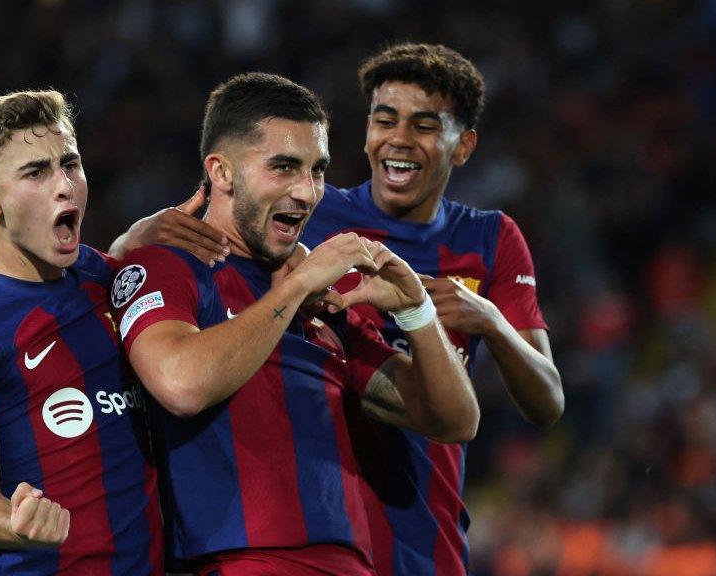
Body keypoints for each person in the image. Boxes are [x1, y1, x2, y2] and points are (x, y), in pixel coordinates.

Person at [110, 72, 479, 576]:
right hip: (237, 561)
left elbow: (454, 420)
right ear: (221, 172)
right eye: (283, 167)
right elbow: (181, 383)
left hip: (352, 564)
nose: (307, 193)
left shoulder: (323, 304)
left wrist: (418, 312)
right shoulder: (169, 269)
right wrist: (296, 287)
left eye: (317, 170)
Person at [0, 89, 227, 575]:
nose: (64, 185)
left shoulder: (107, 279)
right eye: (36, 172)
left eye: (70, 164)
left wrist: (130, 248)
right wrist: (15, 521)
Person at [298, 43, 565, 575]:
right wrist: (145, 233)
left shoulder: (489, 239)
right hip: (312, 521)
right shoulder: (311, 208)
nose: (398, 139)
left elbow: (547, 401)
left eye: (423, 125)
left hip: (422, 533)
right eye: (384, 120)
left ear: (462, 146)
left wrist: (489, 319)